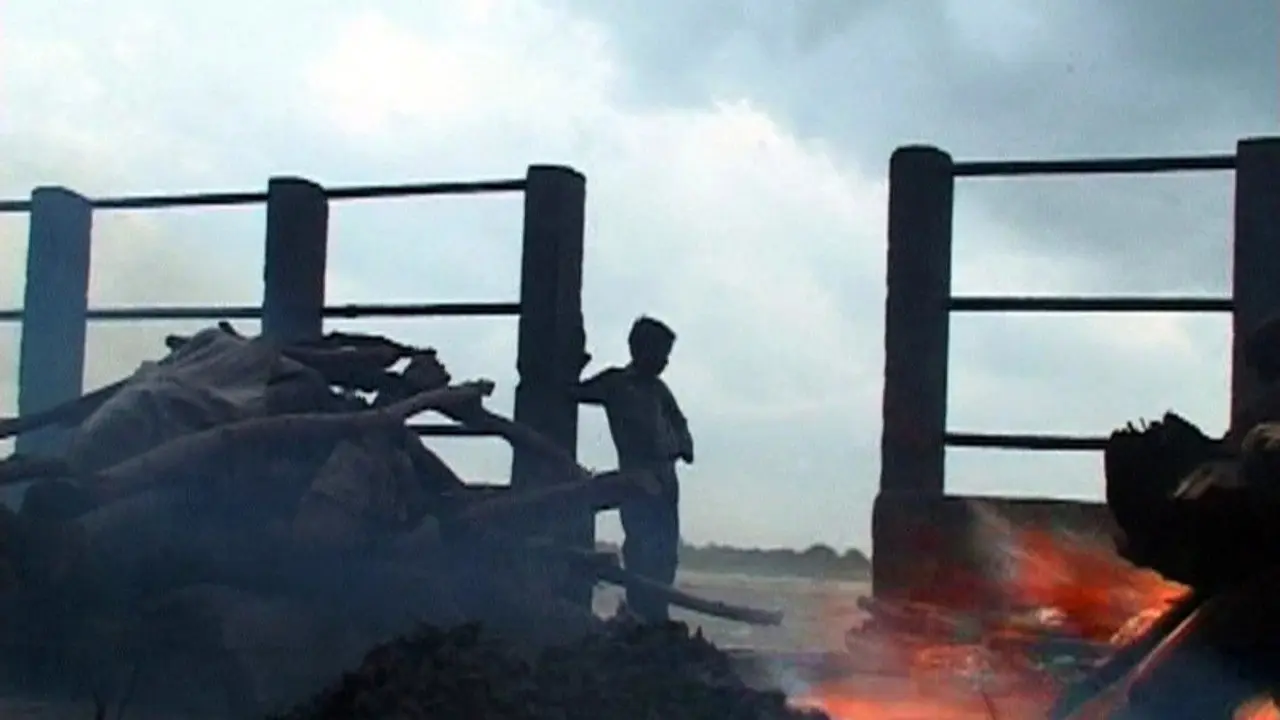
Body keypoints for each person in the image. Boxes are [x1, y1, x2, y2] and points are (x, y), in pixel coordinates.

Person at [573, 316, 693, 621]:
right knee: (641, 547)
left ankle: (656, 614)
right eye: (661, 353)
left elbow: (681, 426)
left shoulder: (660, 390)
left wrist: (680, 446)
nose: (665, 362)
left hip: (666, 482)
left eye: (667, 356)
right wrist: (575, 365)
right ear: (639, 349)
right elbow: (572, 392)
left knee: (666, 554)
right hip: (637, 481)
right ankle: (640, 612)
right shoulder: (615, 384)